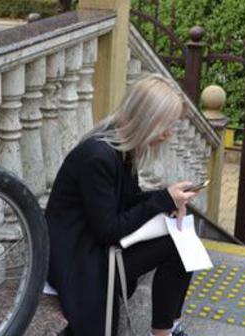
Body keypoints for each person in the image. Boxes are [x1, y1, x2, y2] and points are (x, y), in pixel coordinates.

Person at [45, 74, 198, 336]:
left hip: (93, 246)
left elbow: (126, 202)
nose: (168, 134)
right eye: (165, 125)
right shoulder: (98, 156)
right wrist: (161, 200)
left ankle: (166, 328)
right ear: (146, 119)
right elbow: (108, 229)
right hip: (78, 257)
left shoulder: (120, 146)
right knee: (176, 244)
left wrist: (167, 199)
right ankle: (164, 331)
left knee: (183, 238)